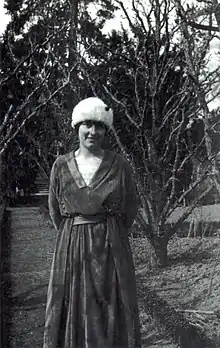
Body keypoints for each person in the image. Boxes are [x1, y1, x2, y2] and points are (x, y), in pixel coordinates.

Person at [43, 97, 142, 348]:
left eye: (99, 126)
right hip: (72, 246)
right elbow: (55, 209)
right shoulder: (61, 165)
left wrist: (113, 233)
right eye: (87, 124)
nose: (93, 132)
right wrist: (73, 234)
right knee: (71, 305)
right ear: (77, 126)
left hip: (111, 247)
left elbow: (131, 206)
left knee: (113, 305)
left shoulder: (119, 165)